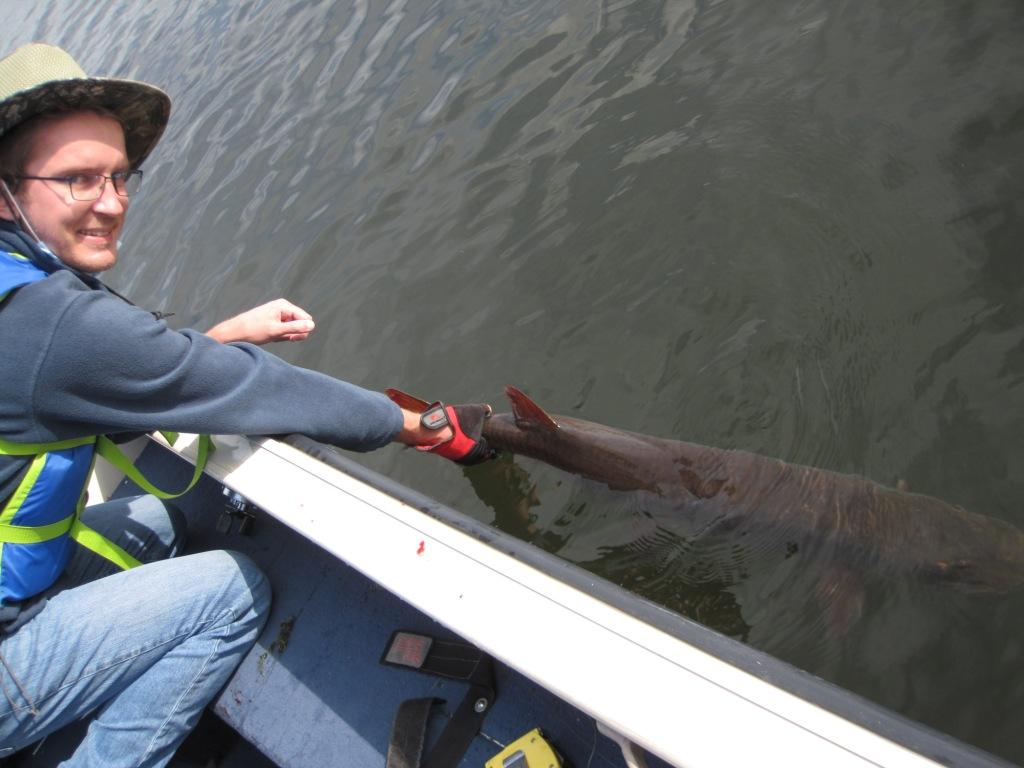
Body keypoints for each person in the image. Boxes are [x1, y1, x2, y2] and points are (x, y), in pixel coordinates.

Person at [0, 43, 491, 767]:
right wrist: (418, 426)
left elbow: (89, 377)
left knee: (160, 520)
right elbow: (257, 389)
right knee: (233, 590)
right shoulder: (50, 324)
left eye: (119, 175)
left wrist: (216, 339)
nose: (111, 202)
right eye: (77, 180)